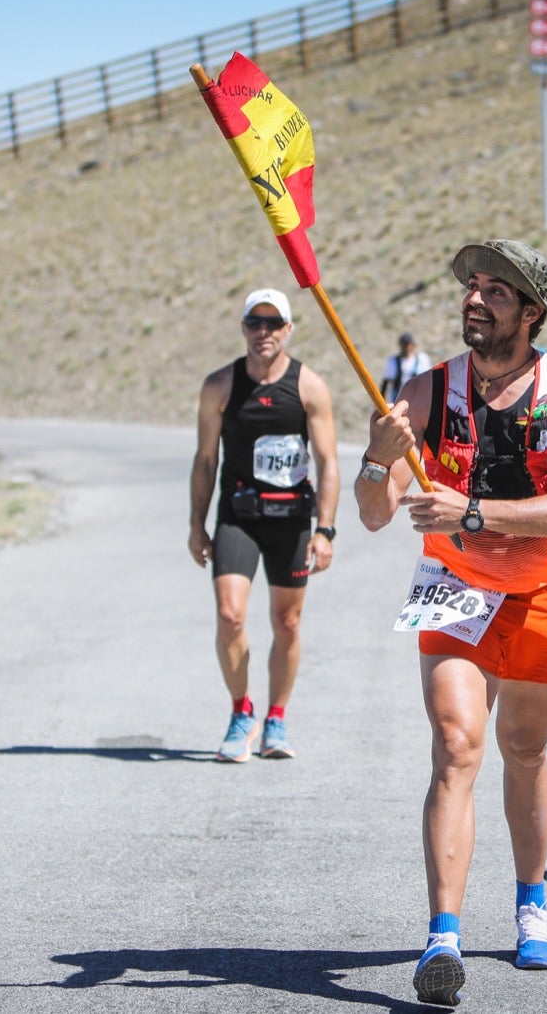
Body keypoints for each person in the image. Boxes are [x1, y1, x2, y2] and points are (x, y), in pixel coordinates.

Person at [355, 240, 547, 1007]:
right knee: (457, 745)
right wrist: (377, 456)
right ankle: (443, 934)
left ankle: (532, 902)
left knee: (524, 751)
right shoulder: (431, 391)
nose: (475, 299)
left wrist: (470, 509)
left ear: (532, 313)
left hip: (543, 593)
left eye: (496, 291)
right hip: (456, 589)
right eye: (472, 286)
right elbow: (373, 514)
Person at [189, 288, 340, 763]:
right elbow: (205, 459)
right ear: (243, 328)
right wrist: (197, 524)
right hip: (239, 516)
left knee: (287, 623)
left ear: (288, 330)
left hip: (292, 519)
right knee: (230, 615)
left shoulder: (309, 386)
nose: (264, 332)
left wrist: (325, 529)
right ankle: (241, 713)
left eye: (274, 324)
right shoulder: (220, 386)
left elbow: (328, 462)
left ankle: (276, 718)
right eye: (255, 323)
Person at [379, 331, 430, 402]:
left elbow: (428, 381)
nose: (406, 347)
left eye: (407, 344)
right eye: (404, 344)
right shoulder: (393, 361)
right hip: (397, 399)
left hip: (416, 399)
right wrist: (381, 401)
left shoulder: (421, 360)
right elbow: (386, 382)